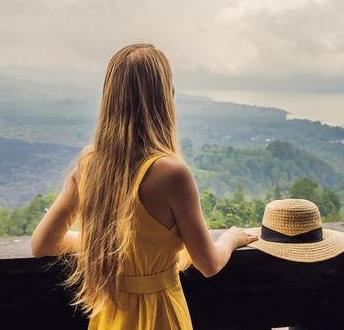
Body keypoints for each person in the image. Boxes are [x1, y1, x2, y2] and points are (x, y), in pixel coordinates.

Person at [30, 43, 258, 329]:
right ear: (166, 97)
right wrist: (232, 238)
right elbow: (208, 264)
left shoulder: (90, 163)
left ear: (110, 98)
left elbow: (42, 244)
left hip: (110, 316)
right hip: (161, 315)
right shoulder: (172, 173)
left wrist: (107, 243)